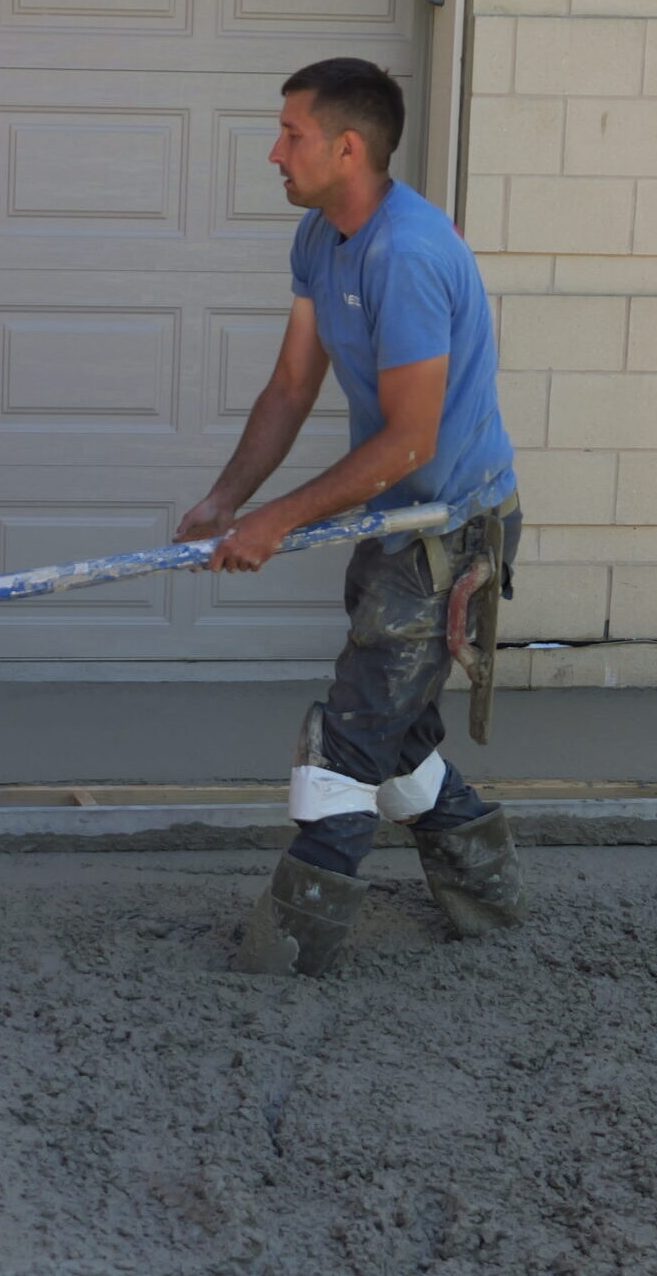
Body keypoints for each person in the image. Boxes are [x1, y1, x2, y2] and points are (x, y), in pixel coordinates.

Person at [173, 57, 527, 977]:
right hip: (398, 523)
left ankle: (286, 956)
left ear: (347, 147)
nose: (273, 154)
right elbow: (292, 385)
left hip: (448, 531)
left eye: (290, 135)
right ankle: (491, 902)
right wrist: (228, 500)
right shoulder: (322, 240)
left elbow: (409, 441)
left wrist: (279, 521)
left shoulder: (406, 254)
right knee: (396, 736)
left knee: (347, 740)